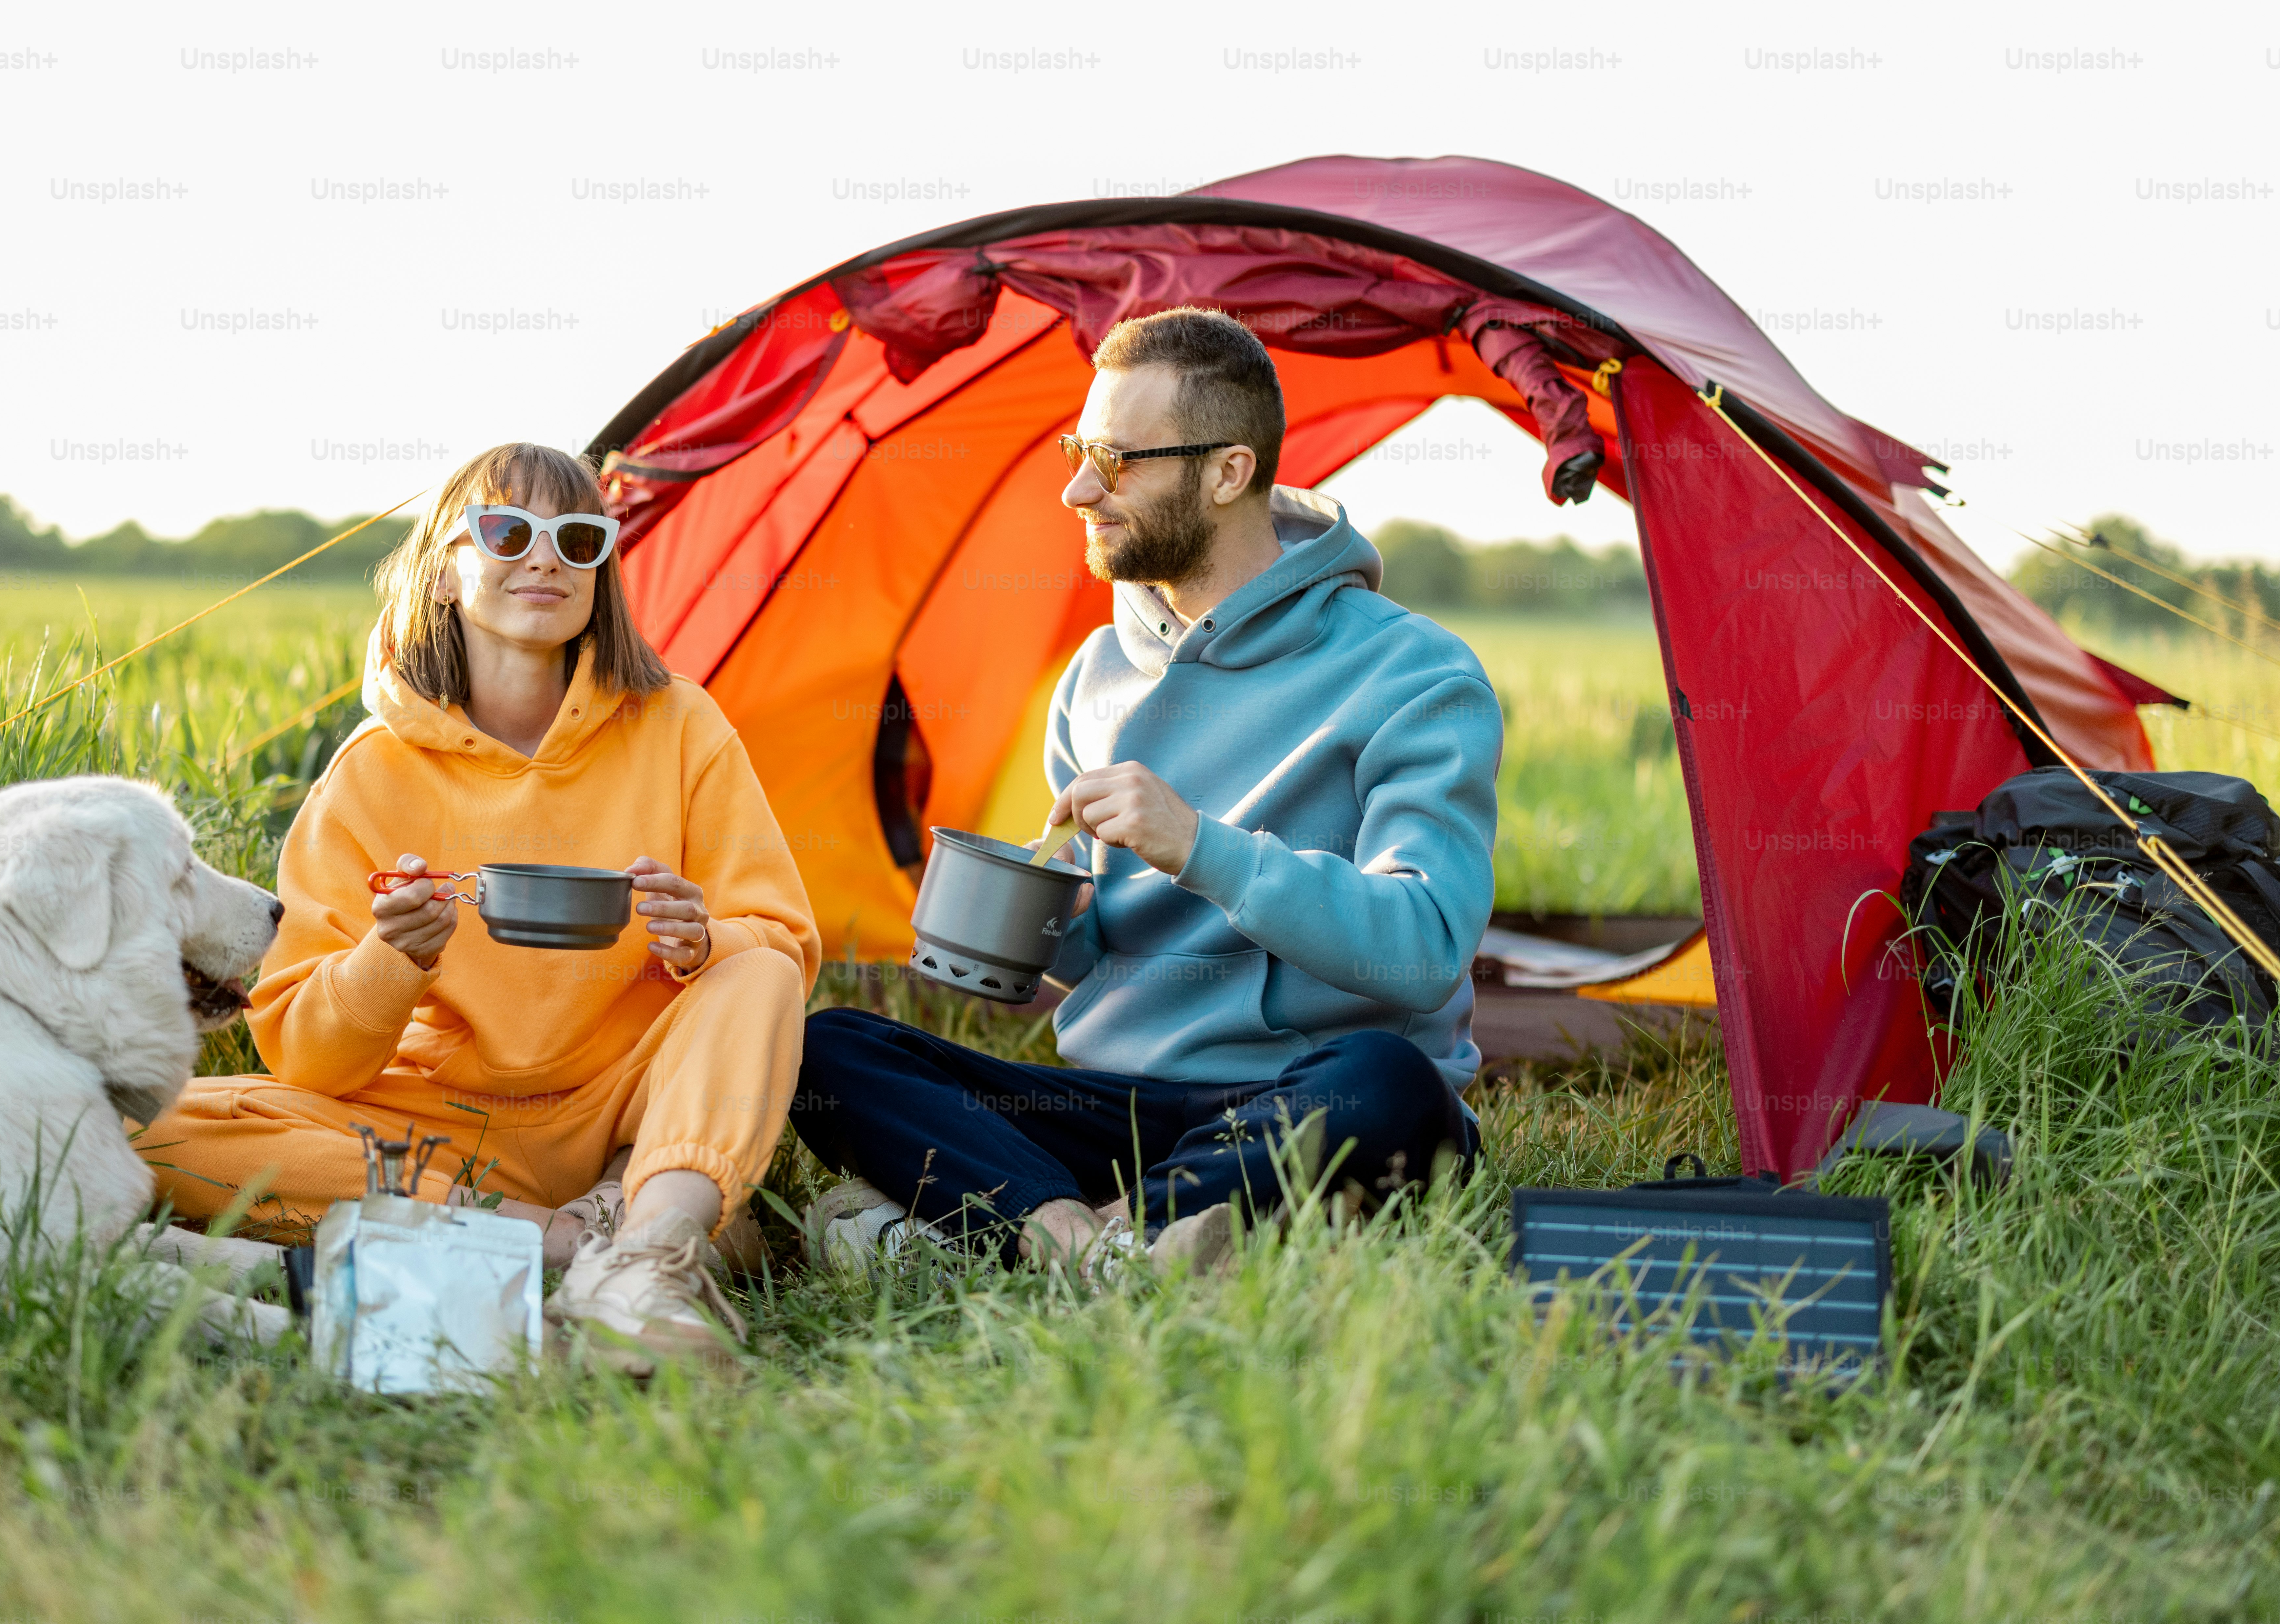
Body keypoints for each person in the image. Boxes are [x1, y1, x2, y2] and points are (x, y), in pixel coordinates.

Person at [791, 308, 1499, 1274]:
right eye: (1079, 450)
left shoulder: (1414, 673)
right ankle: (1095, 1242)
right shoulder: (1094, 673)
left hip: (1303, 1095)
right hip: (1119, 1103)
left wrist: (1197, 846)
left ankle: (1023, 1228)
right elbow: (1095, 954)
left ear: (1226, 472)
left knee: (1393, 1085)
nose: (1079, 488)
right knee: (829, 1050)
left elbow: (1422, 950)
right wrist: (1041, 922)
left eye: (1118, 460)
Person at [138, 443, 816, 1371]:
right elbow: (303, 1056)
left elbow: (779, 938)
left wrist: (702, 940)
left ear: (601, 572)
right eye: (509, 532)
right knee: (140, 1123)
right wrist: (391, 961)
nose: (546, 558)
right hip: (435, 1130)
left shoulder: (681, 725)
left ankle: (650, 1249)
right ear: (446, 569)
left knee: (759, 968)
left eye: (578, 539)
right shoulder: (370, 776)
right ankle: (582, 1240)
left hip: (626, 1103)